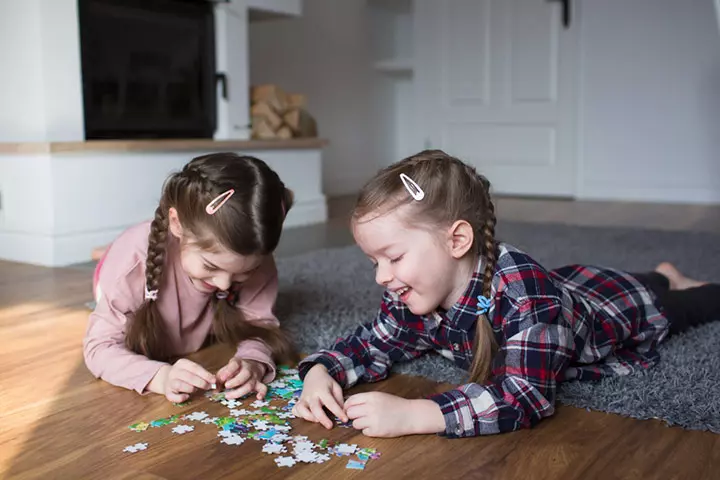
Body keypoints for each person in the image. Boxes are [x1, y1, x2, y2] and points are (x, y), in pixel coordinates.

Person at [293, 149, 720, 438]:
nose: (381, 277)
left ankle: (666, 281)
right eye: (374, 263)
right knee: (608, 278)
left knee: (689, 303)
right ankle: (662, 272)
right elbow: (374, 341)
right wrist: (320, 371)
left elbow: (525, 394)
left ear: (457, 240)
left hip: (616, 310)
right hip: (567, 284)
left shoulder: (526, 298)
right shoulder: (412, 291)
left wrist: (417, 414)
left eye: (393, 257)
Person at [84, 153, 296, 404]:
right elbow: (98, 348)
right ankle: (107, 253)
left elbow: (260, 324)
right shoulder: (133, 267)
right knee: (116, 268)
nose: (225, 284)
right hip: (126, 266)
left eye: (244, 272)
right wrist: (160, 377)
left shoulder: (253, 255)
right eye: (210, 265)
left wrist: (253, 361)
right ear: (176, 224)